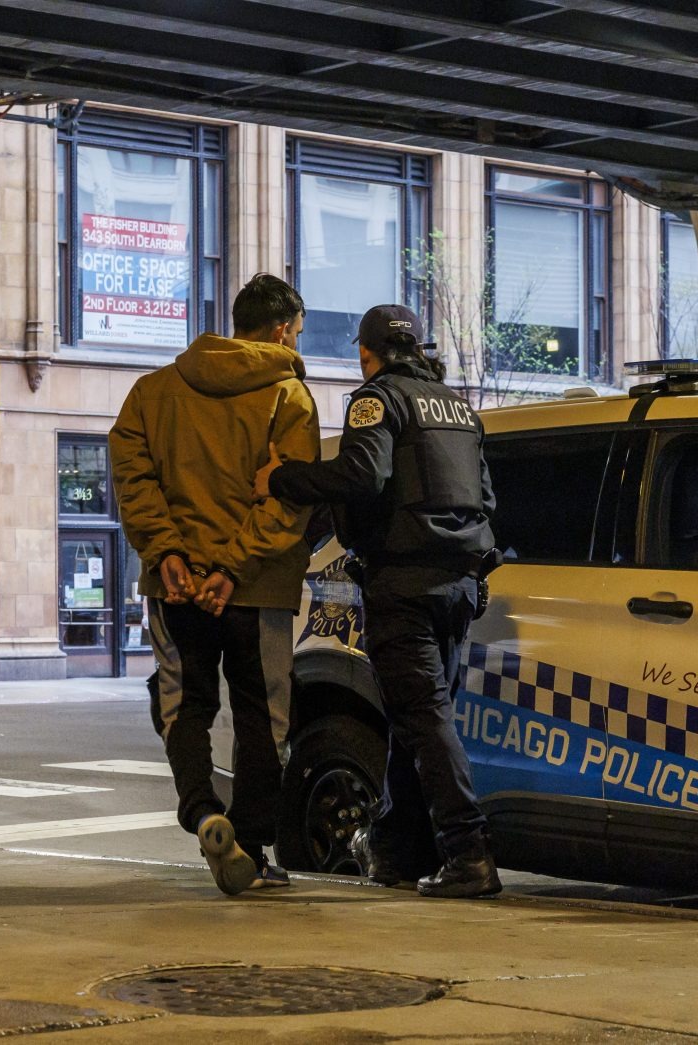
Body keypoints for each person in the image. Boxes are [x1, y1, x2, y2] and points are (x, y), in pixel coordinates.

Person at [254, 303, 501, 899]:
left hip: (405, 584)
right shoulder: (458, 408)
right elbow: (486, 498)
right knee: (410, 718)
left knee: (424, 719)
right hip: (460, 585)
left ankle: (469, 854)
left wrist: (283, 479)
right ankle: (394, 853)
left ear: (367, 352)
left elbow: (363, 476)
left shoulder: (378, 399)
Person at [110, 273, 320, 896]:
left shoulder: (151, 392)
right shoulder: (289, 398)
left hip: (174, 588)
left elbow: (133, 478)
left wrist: (168, 551)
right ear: (282, 330)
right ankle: (253, 848)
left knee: (183, 705)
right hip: (255, 589)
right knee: (263, 715)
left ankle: (204, 813)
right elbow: (290, 499)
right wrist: (233, 567)